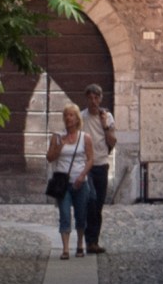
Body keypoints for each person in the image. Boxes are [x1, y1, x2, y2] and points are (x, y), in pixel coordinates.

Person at [45, 101, 94, 257]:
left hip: (80, 182)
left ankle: (80, 244)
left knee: (81, 215)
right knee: (64, 215)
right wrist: (60, 146)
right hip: (62, 183)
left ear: (77, 118)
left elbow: (91, 159)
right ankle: (65, 248)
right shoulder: (57, 137)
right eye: (66, 115)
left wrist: (82, 176)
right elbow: (50, 158)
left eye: (71, 115)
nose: (68, 118)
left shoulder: (85, 138)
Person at [80, 83, 117, 251]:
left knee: (99, 205)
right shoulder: (82, 118)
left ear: (101, 98)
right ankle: (89, 240)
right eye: (90, 98)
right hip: (87, 166)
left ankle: (93, 241)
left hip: (102, 165)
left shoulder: (107, 117)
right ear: (86, 99)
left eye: (96, 97)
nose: (94, 101)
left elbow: (112, 142)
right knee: (91, 201)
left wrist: (105, 126)